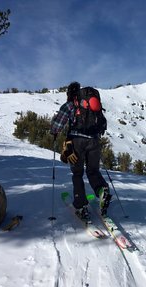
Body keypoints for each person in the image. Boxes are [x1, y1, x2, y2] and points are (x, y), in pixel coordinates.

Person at [50, 81, 111, 219]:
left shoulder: (71, 105)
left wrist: (54, 132)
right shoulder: (89, 104)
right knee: (93, 171)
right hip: (94, 141)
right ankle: (102, 191)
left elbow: (57, 125)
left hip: (77, 142)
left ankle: (81, 205)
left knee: (77, 173)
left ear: (69, 93)